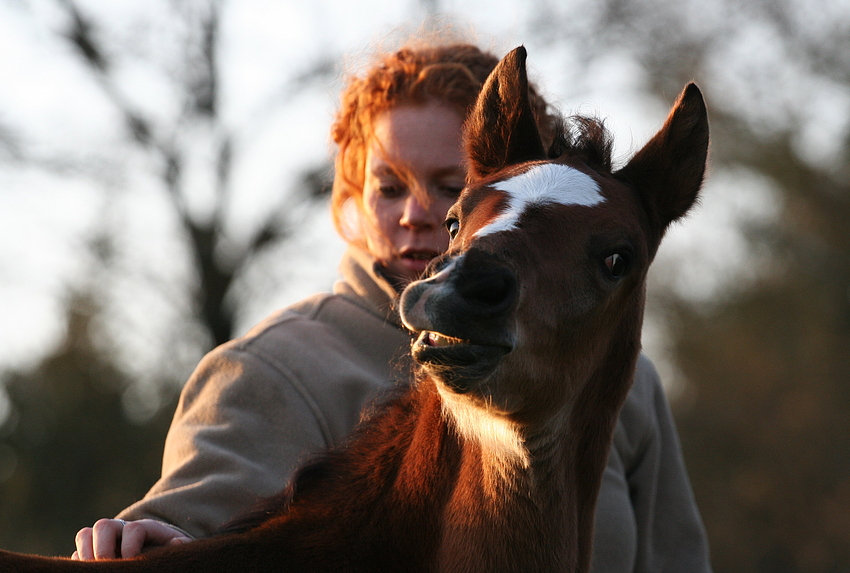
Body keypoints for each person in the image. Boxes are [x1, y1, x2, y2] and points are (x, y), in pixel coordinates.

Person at [71, 39, 713, 572]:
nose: (417, 213)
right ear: (349, 201)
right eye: (388, 186)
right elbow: (197, 513)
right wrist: (147, 533)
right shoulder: (275, 366)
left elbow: (675, 557)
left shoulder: (626, 386)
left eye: (452, 185)